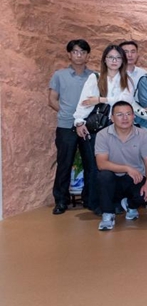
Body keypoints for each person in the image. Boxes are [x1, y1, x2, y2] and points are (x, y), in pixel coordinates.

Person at [73, 43, 136, 211]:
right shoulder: (95, 78)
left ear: (122, 61)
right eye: (111, 57)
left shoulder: (127, 80)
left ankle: (113, 202)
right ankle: (96, 204)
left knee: (114, 166)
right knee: (94, 167)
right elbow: (85, 101)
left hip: (118, 129)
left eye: (118, 58)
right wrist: (79, 121)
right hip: (96, 128)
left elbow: (126, 100)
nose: (114, 61)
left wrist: (100, 99)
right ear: (105, 60)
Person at [49, 39, 96, 215]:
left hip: (87, 126)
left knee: (91, 163)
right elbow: (52, 99)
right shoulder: (59, 75)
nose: (79, 55)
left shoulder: (94, 76)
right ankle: (61, 201)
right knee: (64, 163)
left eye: (83, 52)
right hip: (66, 126)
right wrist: (65, 113)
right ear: (69, 54)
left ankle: (90, 199)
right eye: (75, 51)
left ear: (88, 55)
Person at [95, 101, 147, 231]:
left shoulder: (142, 134)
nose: (125, 118)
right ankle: (107, 215)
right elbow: (101, 163)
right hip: (112, 180)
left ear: (134, 116)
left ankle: (130, 205)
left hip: (134, 179)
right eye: (120, 115)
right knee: (104, 176)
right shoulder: (103, 135)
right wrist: (127, 168)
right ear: (112, 118)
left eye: (128, 114)